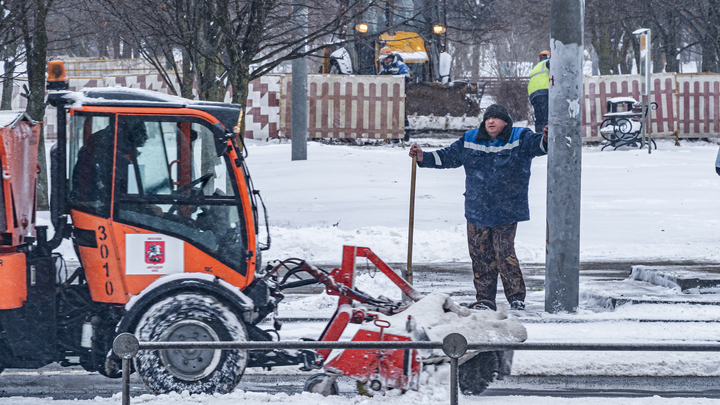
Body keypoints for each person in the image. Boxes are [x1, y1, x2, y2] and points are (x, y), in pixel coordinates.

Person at [408, 104, 548, 311]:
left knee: (504, 254)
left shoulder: (519, 137)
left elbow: (539, 146)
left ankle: (516, 298)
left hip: (507, 209)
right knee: (480, 257)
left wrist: (546, 139)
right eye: (488, 118)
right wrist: (423, 157)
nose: (491, 121)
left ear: (506, 122)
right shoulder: (470, 139)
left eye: (496, 118)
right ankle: (485, 299)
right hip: (477, 208)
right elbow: (449, 156)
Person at [377, 46, 411, 142]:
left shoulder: (400, 65)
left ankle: (405, 135)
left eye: (386, 59)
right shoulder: (384, 66)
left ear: (391, 57)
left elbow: (406, 78)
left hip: (399, 94)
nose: (385, 61)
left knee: (401, 114)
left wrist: (395, 80)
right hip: (388, 94)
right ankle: (394, 136)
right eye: (383, 59)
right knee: (390, 114)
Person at [528, 50, 550, 133]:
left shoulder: (536, 67)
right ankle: (546, 138)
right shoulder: (547, 63)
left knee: (539, 118)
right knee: (546, 117)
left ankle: (538, 137)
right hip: (544, 92)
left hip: (533, 95)